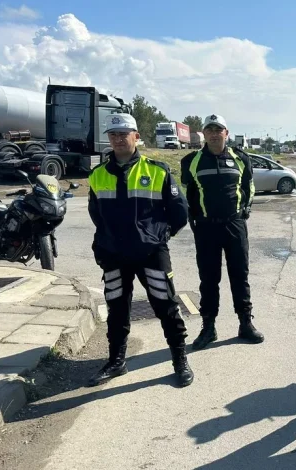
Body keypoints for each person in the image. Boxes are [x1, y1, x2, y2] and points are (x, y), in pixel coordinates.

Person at [87, 113, 193, 387]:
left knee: (166, 306)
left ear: (136, 136)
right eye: (113, 134)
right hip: (114, 255)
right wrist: (106, 241)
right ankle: (116, 361)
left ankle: (180, 360)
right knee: (116, 309)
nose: (118, 139)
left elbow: (180, 212)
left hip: (151, 254)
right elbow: (96, 214)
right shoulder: (98, 175)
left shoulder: (157, 170)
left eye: (124, 134)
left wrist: (160, 236)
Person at [180, 114, 263, 350]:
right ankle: (208, 327)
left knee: (240, 276)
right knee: (208, 279)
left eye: (219, 130)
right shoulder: (192, 161)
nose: (214, 134)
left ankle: (245, 323)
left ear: (226, 133)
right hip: (206, 227)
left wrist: (245, 209)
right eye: (210, 130)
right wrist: (193, 218)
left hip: (234, 225)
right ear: (203, 134)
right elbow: (188, 192)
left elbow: (249, 186)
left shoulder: (240, 158)